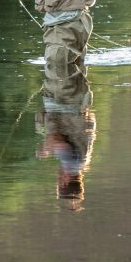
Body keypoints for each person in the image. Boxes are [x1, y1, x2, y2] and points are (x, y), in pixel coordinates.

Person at [35, 66, 96, 211]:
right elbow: (55, 138)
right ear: (64, 182)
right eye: (58, 183)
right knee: (58, 64)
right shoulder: (70, 163)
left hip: (76, 98)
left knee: (73, 62)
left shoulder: (82, 162)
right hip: (64, 98)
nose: (57, 179)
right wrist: (45, 150)